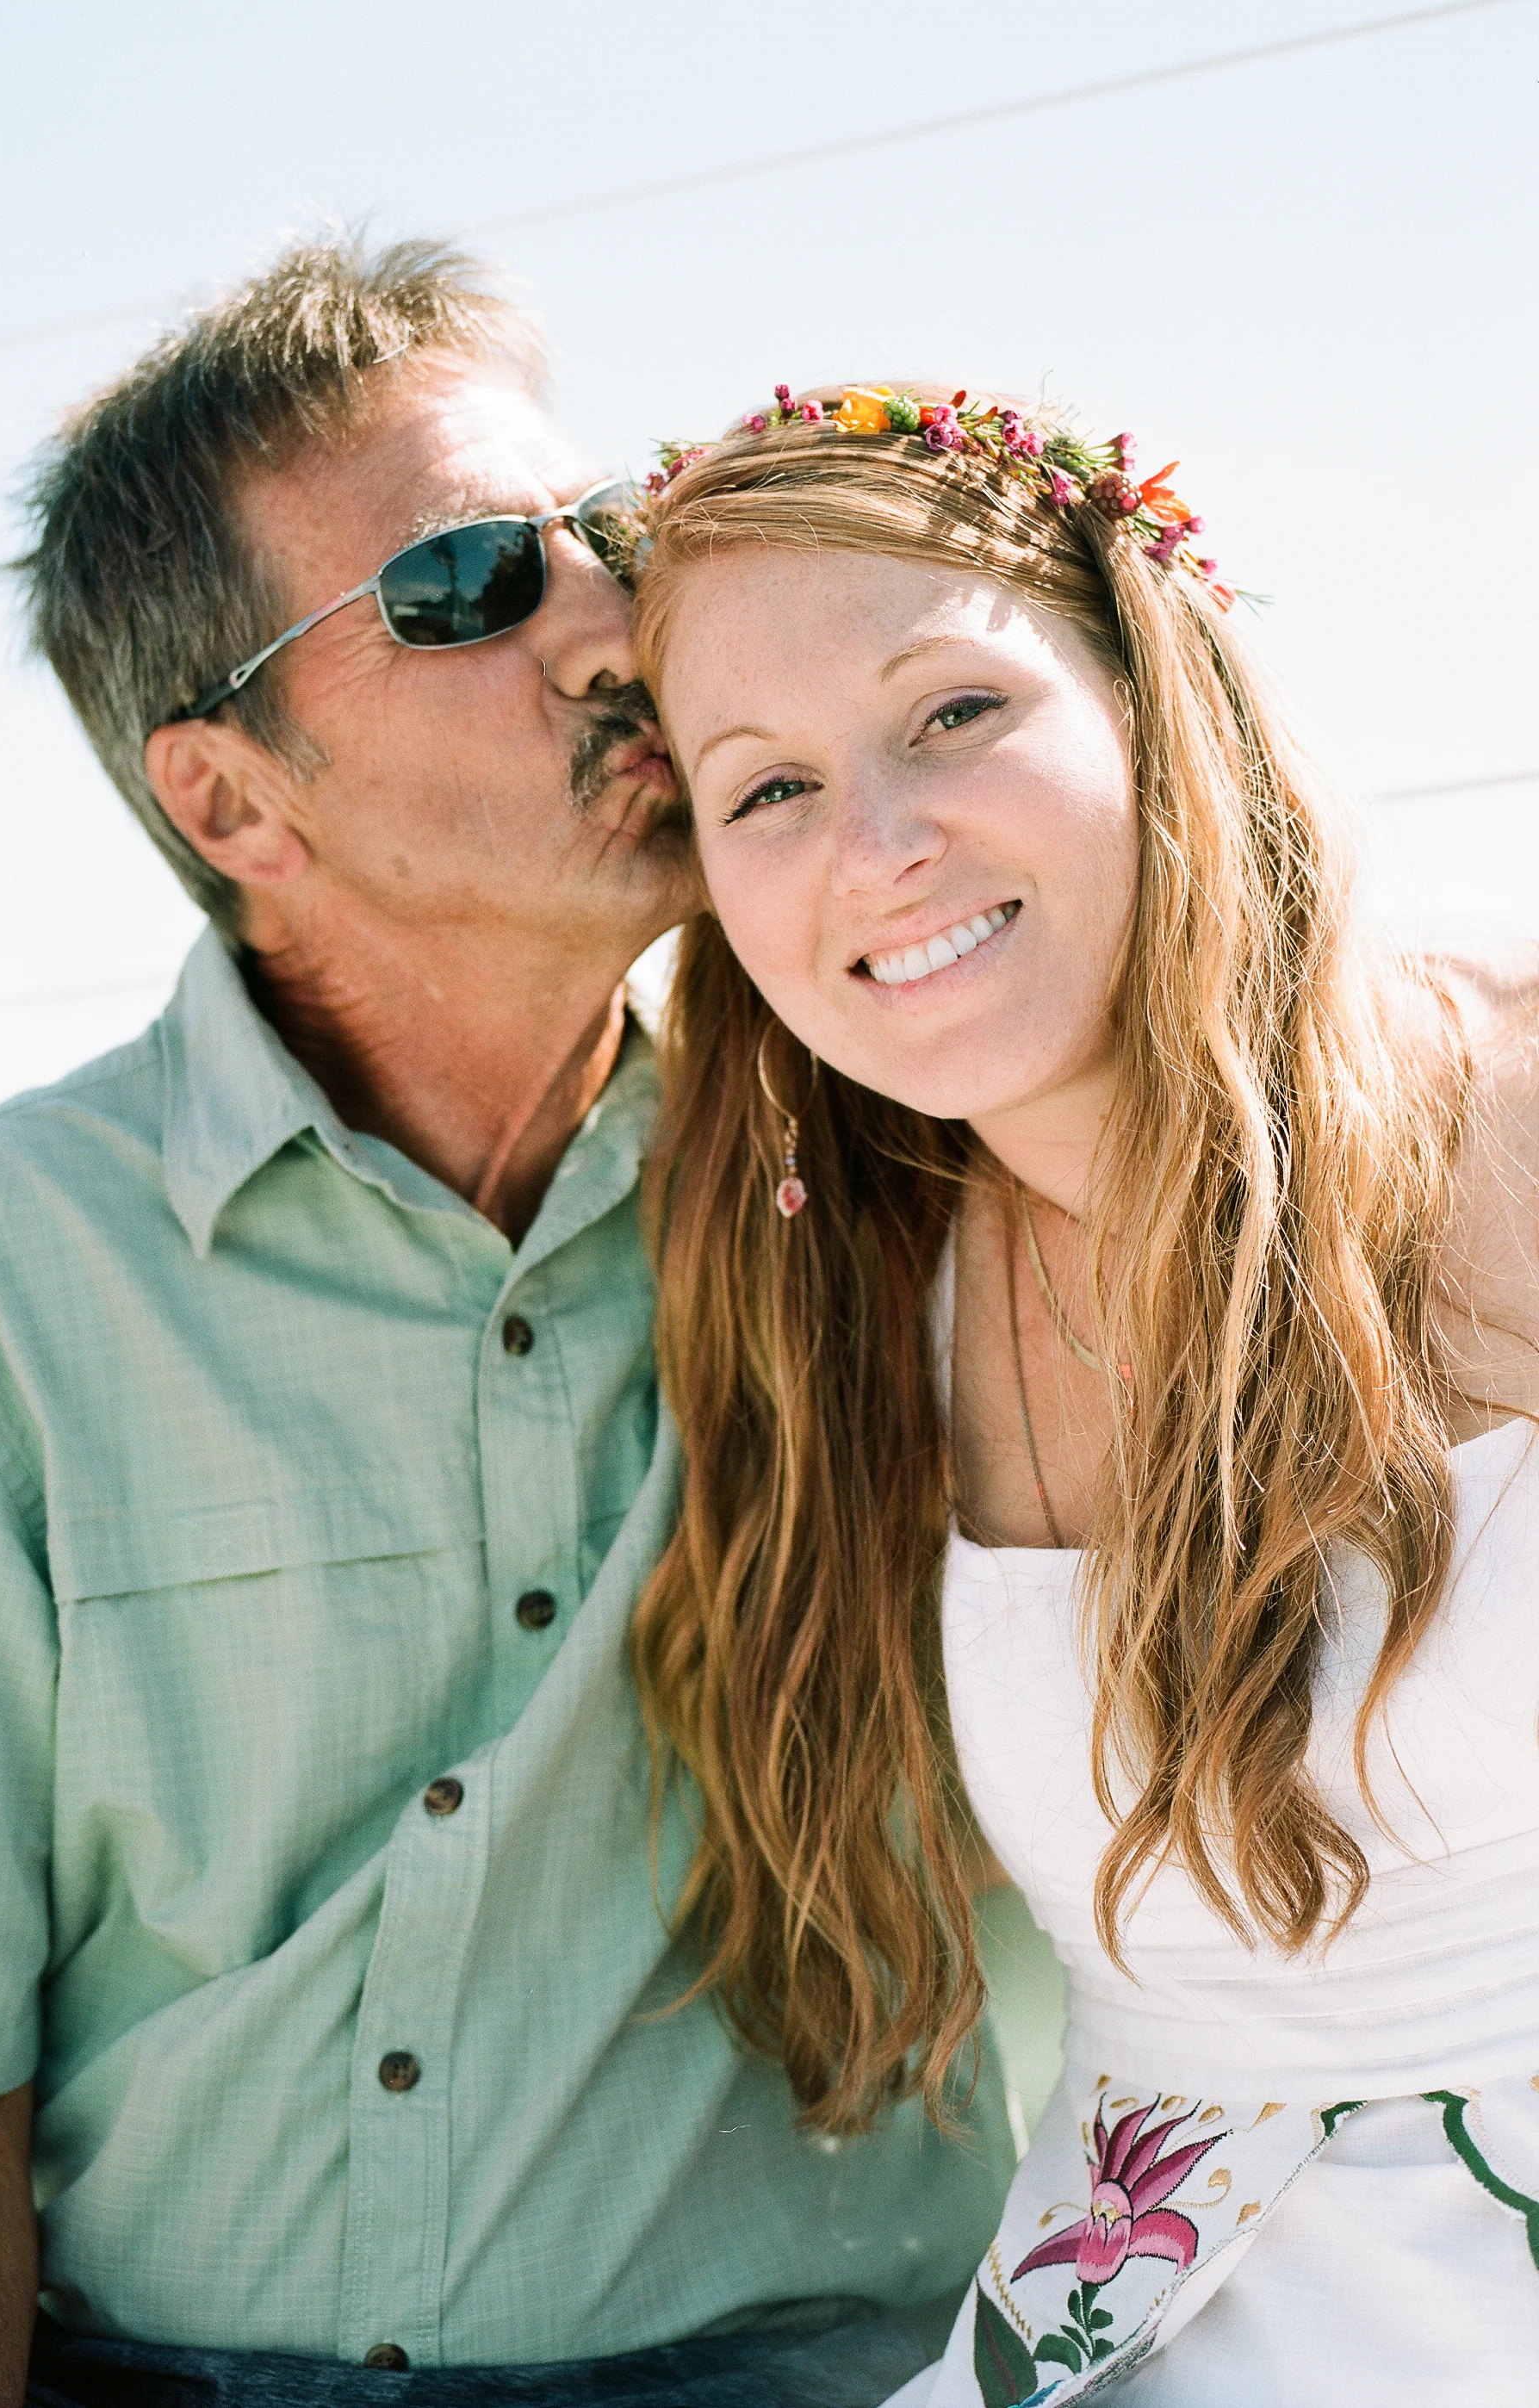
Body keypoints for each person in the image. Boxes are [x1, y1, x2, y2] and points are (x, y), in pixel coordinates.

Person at [0, 261, 1015, 2408]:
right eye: (462, 586)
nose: (610, 629)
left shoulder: (923, 1165)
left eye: (597, 539)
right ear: (236, 805)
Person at [628, 381, 1539, 2404]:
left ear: (1152, 691)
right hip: (1129, 2330)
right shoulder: (847, 1292)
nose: (873, 846)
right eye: (761, 788)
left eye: (952, 712)